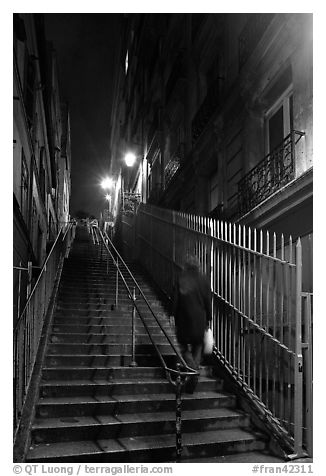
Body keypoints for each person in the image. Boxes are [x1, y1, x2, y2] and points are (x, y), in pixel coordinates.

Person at [172, 255, 212, 392]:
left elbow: (175, 299)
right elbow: (208, 301)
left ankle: (193, 371)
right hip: (200, 319)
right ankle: (194, 371)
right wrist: (209, 319)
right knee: (198, 346)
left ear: (186, 266)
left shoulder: (181, 278)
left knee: (183, 347)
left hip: (184, 319)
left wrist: (173, 315)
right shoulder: (204, 280)